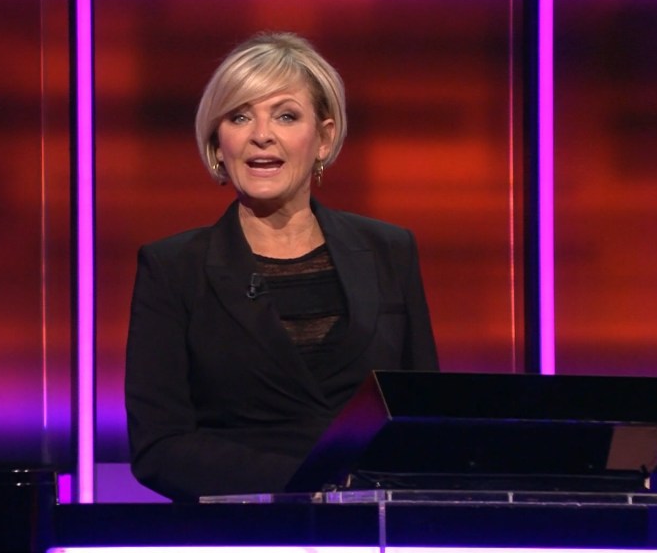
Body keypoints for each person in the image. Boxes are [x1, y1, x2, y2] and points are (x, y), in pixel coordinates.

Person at [124, 32, 439, 502]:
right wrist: (309, 485)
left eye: (286, 116)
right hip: (246, 525)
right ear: (218, 143)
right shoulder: (173, 268)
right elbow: (160, 446)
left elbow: (424, 417)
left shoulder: (389, 250)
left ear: (324, 138)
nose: (261, 135)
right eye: (239, 116)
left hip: (370, 524)